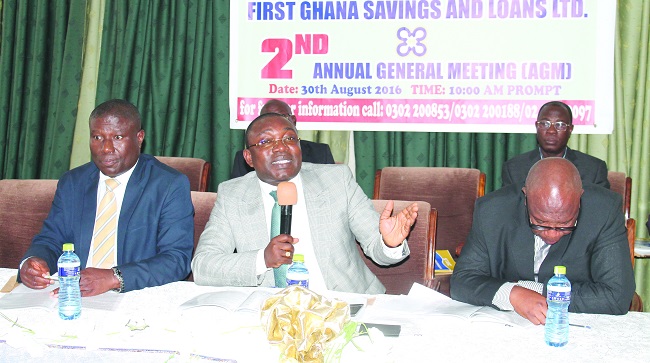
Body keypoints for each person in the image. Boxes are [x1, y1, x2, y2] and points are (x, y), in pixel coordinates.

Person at [192, 113, 418, 294]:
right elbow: (203, 267)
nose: (280, 147)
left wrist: (389, 243)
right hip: (270, 315)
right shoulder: (232, 195)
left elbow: (377, 248)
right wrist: (262, 259)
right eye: (266, 141)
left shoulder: (336, 180)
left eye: (289, 138)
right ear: (249, 158)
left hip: (343, 304)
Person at [19, 99, 194, 297]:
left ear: (139, 138)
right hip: (75, 294)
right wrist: (34, 262)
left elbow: (176, 259)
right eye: (97, 137)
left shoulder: (168, 185)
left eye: (118, 137)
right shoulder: (73, 182)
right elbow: (51, 239)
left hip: (135, 296)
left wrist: (114, 277)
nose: (107, 148)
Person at [451, 158, 635, 324]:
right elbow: (462, 281)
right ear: (525, 197)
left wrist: (532, 292)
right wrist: (513, 295)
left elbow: (617, 296)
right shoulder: (492, 210)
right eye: (539, 223)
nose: (552, 234)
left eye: (564, 224)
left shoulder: (604, 211)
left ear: (580, 198)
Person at [501, 101, 609, 188]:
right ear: (537, 126)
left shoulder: (593, 169)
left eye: (560, 125)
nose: (551, 130)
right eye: (545, 124)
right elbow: (508, 210)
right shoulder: (514, 169)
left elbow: (600, 209)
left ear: (570, 129)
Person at [230, 99, 335, 179]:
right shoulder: (246, 156)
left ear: (293, 120)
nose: (275, 121)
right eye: (268, 117)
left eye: (282, 116)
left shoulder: (321, 152)